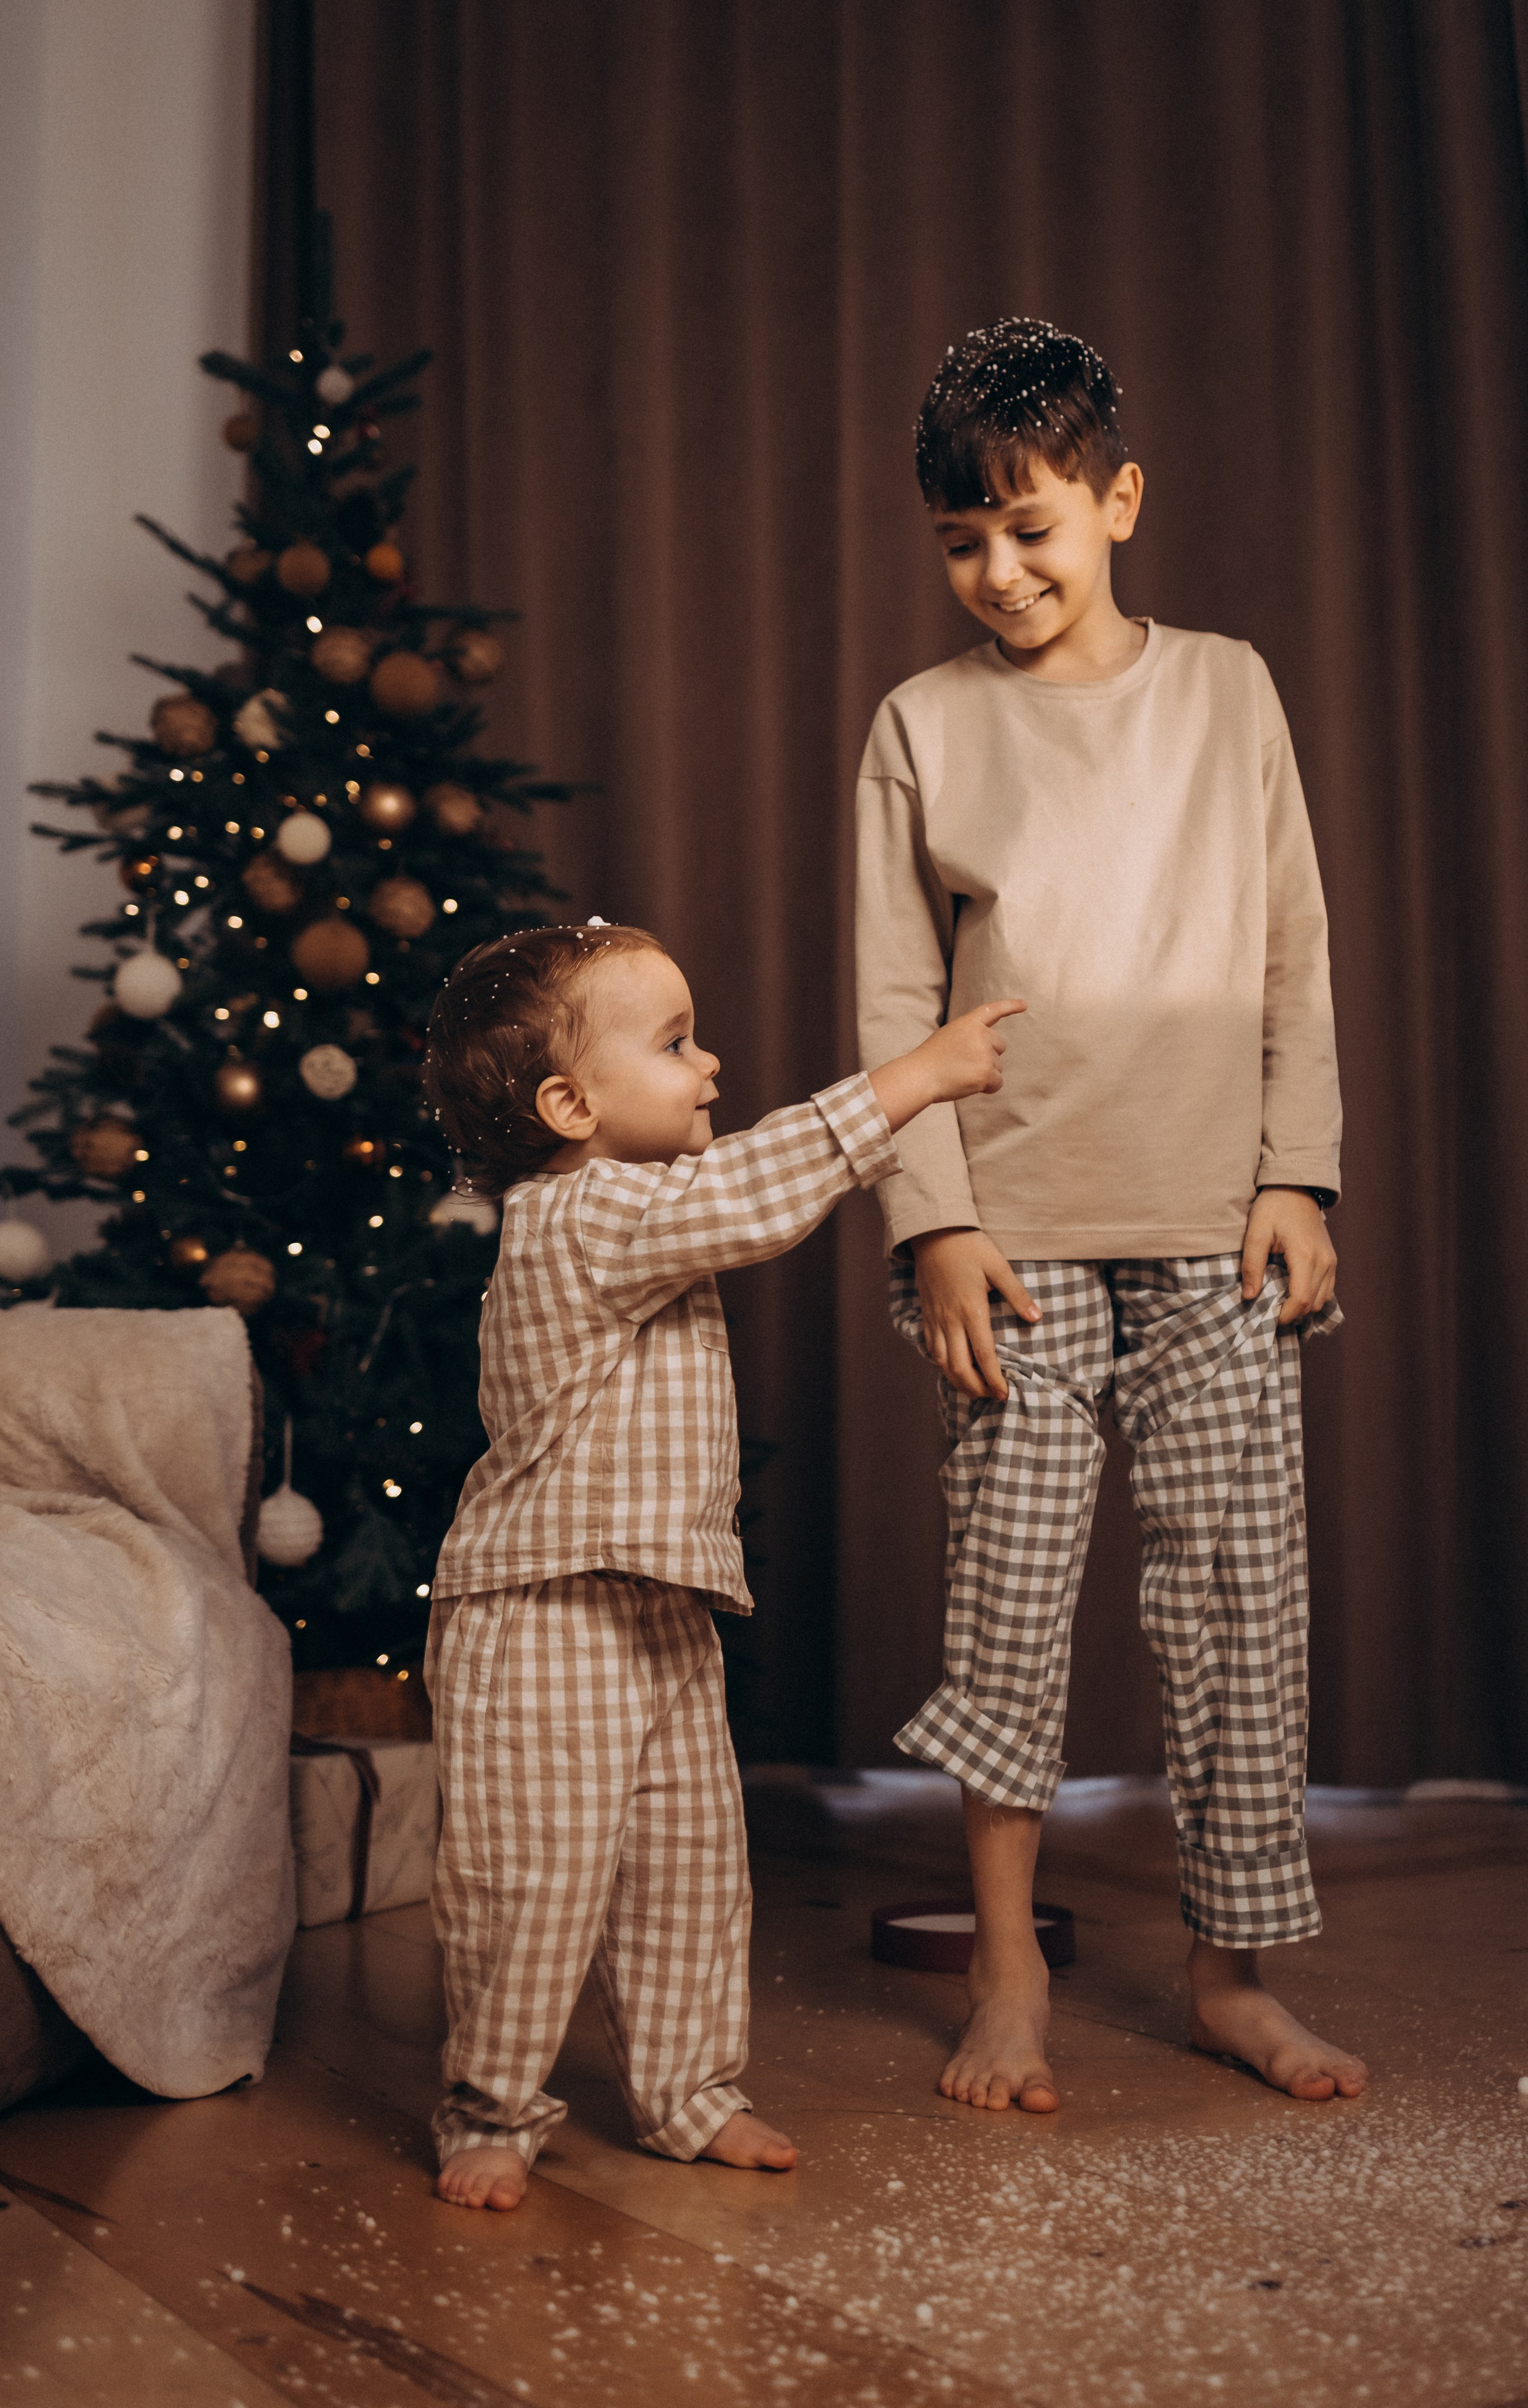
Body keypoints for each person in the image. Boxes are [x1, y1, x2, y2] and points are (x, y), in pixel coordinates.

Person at [855, 319, 1368, 2116]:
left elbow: (1296, 951)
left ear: (1118, 501)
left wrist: (1297, 1168)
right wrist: (931, 1223)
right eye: (961, 542)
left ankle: (1233, 1976)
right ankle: (1009, 1969)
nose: (1000, 571)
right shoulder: (921, 727)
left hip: (1217, 1228)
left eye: (1033, 528)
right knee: (1007, 1606)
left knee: (1237, 1603)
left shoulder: (1230, 690)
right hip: (1012, 1238)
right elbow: (888, 999)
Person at [420, 919, 1023, 2209]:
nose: (708, 1064)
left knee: (689, 1870)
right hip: (540, 1617)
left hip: (655, 1609)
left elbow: (717, 1203)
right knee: (531, 1880)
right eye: (676, 1043)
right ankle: (489, 2107)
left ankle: (690, 2094)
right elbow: (747, 1196)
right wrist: (910, 1079)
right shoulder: (580, 1214)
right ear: (569, 1104)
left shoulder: (636, 1211)